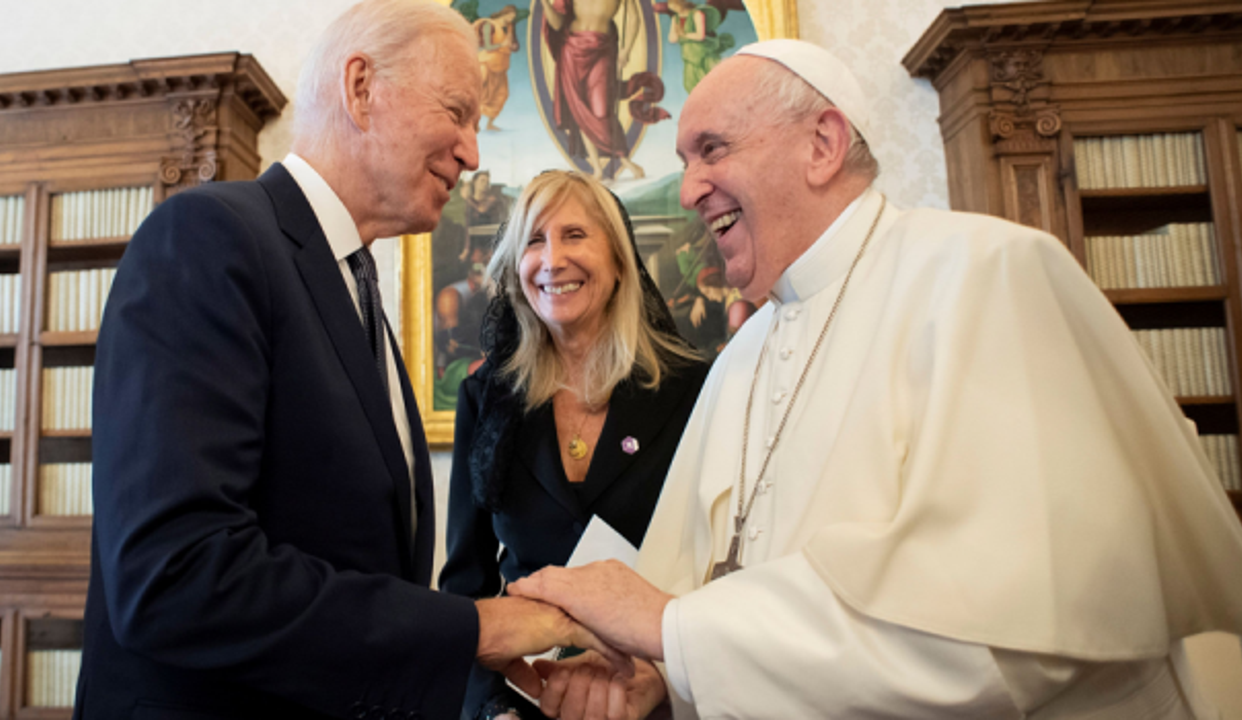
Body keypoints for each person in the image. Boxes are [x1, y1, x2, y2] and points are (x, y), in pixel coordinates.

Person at [510, 39, 1242, 719]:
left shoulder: (984, 274)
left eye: (713, 150)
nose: (690, 187)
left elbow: (1003, 630)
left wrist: (677, 632)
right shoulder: (741, 355)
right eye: (686, 158)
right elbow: (695, 587)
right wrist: (659, 673)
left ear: (822, 145)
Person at [74, 3, 625, 718]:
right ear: (361, 87)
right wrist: (477, 626)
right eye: (457, 112)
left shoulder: (356, 294)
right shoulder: (211, 238)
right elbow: (176, 576)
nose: (472, 153)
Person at [440, 170, 708, 720]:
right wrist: (490, 711)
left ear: (618, 260)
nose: (552, 259)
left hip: (656, 698)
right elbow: (466, 589)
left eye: (575, 236)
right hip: (525, 703)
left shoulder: (694, 389)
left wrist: (663, 679)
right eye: (534, 240)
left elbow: (719, 569)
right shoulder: (485, 398)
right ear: (516, 268)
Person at [540, 0, 658, 180]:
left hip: (602, 47)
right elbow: (557, 23)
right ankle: (597, 169)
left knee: (601, 109)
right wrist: (545, 4)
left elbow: (634, 19)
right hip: (571, 48)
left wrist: (626, 51)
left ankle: (623, 159)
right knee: (579, 108)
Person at [474, 5, 522, 132]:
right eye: (510, 15)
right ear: (504, 13)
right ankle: (473, 123)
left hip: (501, 66)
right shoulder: (489, 25)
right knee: (481, 93)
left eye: (513, 17)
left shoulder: (510, 27)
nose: (511, 19)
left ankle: (490, 123)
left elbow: (514, 46)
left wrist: (513, 46)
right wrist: (503, 44)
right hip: (486, 63)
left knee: (501, 95)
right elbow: (488, 47)